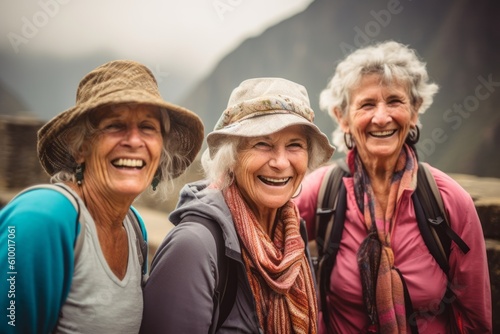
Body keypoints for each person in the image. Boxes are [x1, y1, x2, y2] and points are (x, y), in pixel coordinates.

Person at [294, 40, 492, 333]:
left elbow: (475, 318)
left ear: (415, 111)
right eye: (367, 104)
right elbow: (263, 223)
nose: (382, 117)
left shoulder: (449, 202)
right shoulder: (322, 191)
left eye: (395, 101)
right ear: (342, 118)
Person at [0, 59, 204, 333]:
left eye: (147, 127)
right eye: (114, 125)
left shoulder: (133, 228)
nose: (134, 141)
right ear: (80, 147)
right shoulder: (40, 218)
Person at [140, 77, 335, 333]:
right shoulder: (193, 247)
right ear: (231, 157)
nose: (280, 162)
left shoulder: (291, 238)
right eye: (262, 143)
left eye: (294, 145)